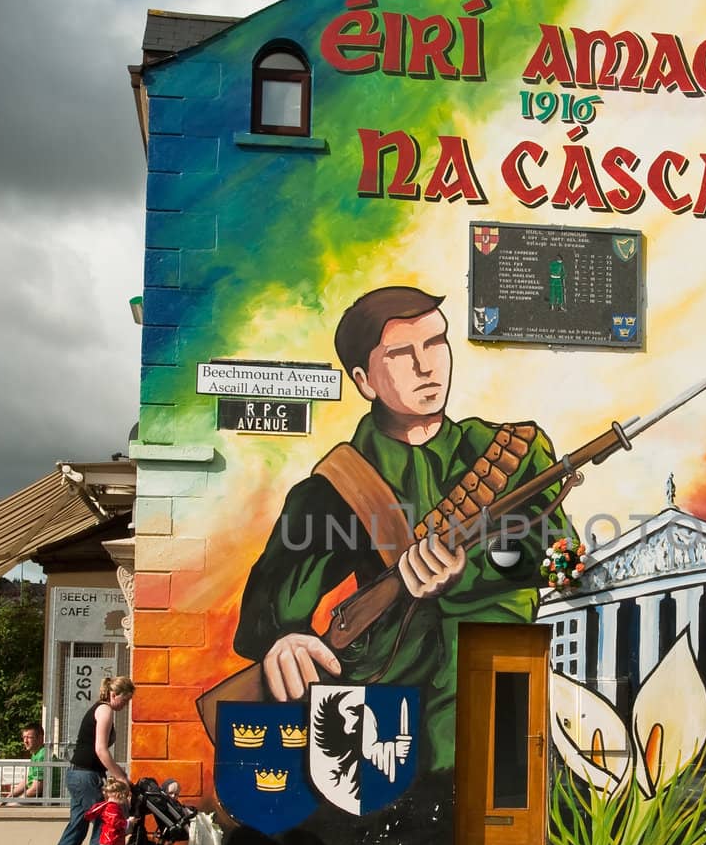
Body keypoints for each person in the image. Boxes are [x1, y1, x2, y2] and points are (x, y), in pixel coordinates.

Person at [234, 286, 570, 772]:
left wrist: (477, 566)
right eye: (400, 353)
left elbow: (566, 563)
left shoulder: (512, 453)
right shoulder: (336, 487)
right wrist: (283, 640)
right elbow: (266, 610)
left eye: (436, 343)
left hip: (502, 701)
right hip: (387, 723)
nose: (426, 366)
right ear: (364, 380)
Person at [46, 676, 135, 845]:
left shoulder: (99, 709)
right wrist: (121, 777)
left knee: (76, 828)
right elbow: (101, 750)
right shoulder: (105, 710)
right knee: (102, 827)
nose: (126, 705)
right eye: (125, 699)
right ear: (113, 694)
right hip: (87, 777)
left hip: (77, 774)